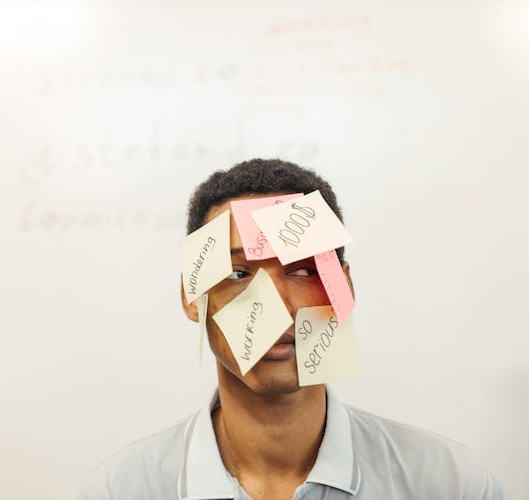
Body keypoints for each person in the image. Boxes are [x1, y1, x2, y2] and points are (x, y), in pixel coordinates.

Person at [78, 159, 507, 500]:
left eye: (303, 269)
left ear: (345, 287)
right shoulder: (122, 490)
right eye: (239, 273)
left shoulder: (452, 486)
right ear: (192, 297)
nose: (278, 308)